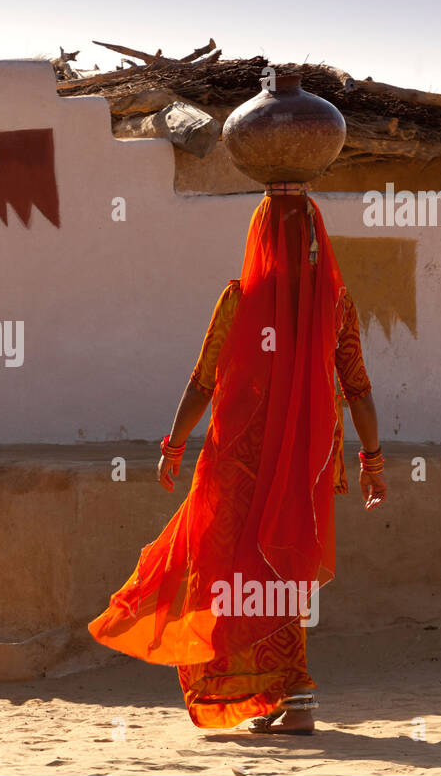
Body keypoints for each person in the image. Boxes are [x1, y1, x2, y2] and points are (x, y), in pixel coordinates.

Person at [88, 184, 386, 735]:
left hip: (236, 467)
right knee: (283, 571)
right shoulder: (336, 306)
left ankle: (279, 696)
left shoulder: (238, 299)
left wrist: (173, 445)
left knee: (228, 575)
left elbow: (202, 383)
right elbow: (360, 391)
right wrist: (372, 463)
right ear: (316, 238)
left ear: (261, 235)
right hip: (303, 467)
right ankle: (287, 699)